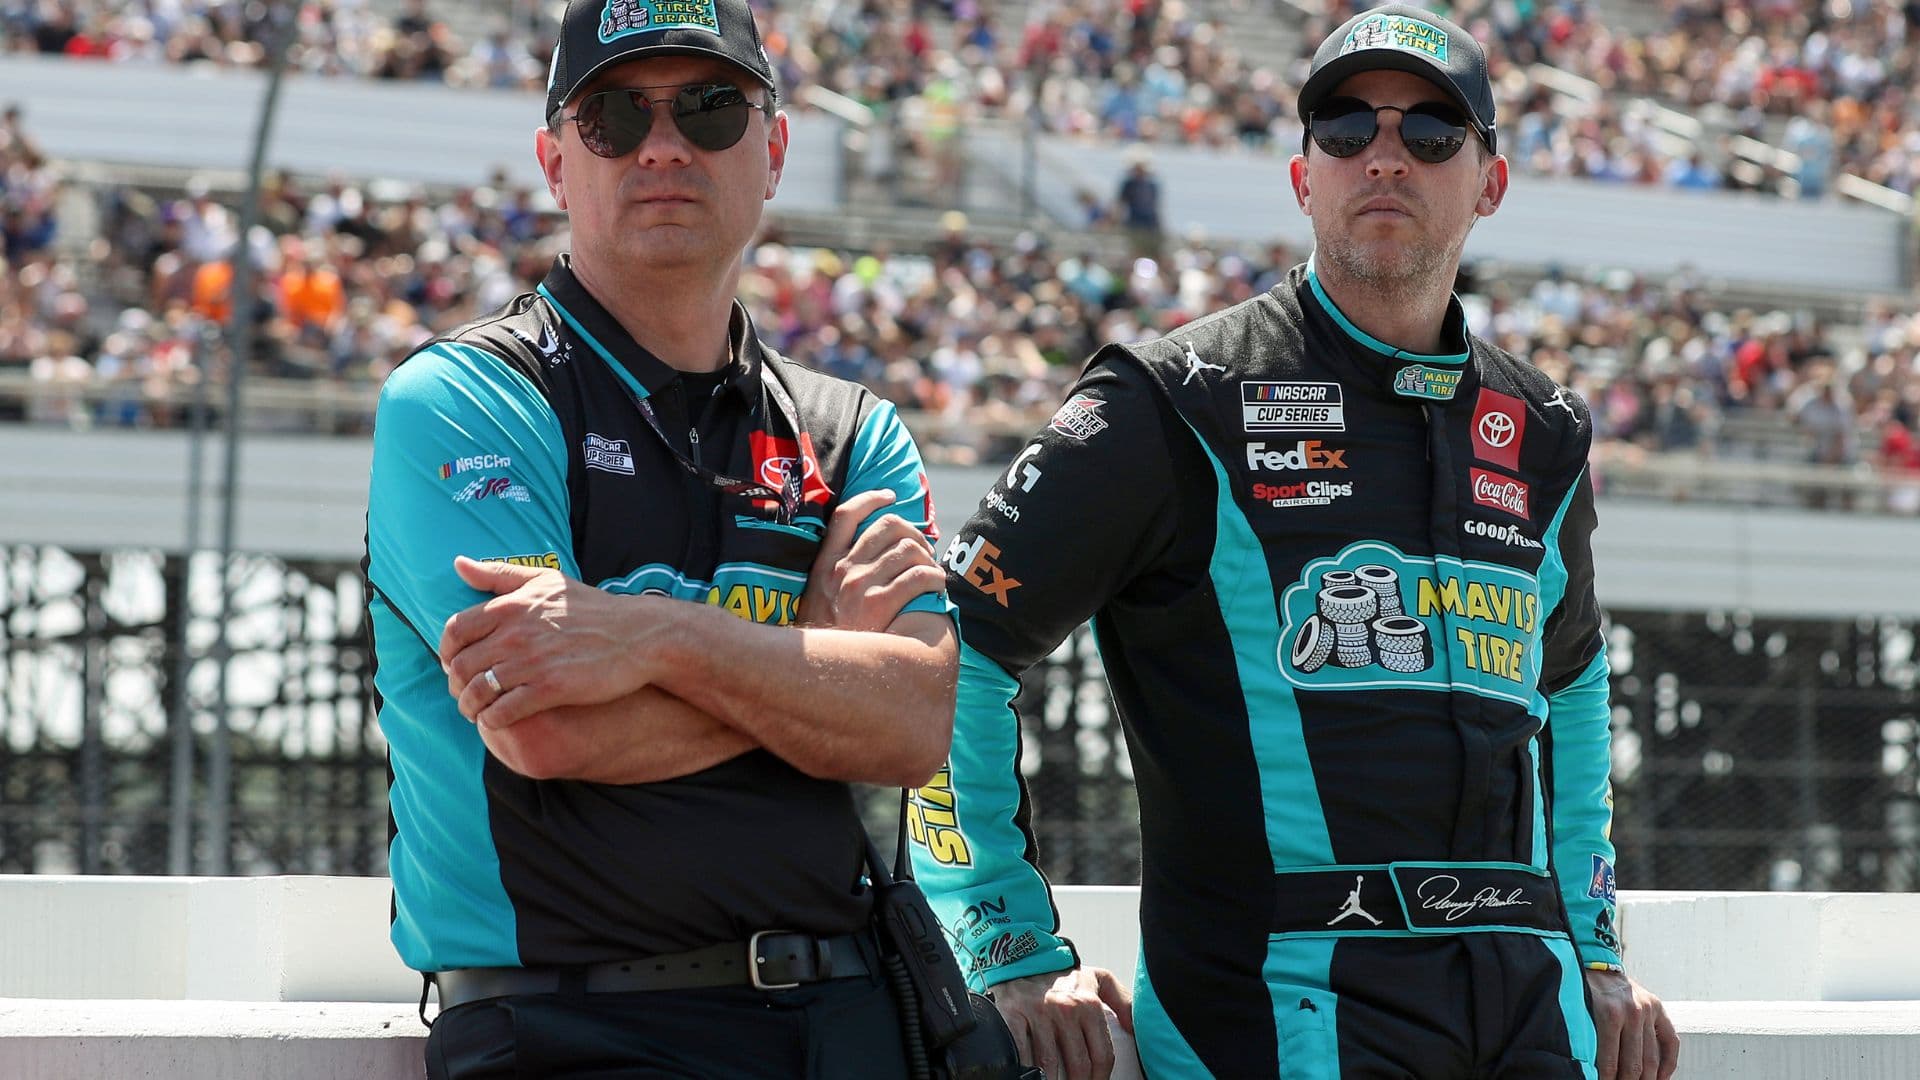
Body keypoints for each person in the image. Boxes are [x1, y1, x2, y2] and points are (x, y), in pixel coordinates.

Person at [912, 6, 1679, 1079]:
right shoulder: (1173, 398)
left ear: (1489, 183)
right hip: (1273, 1018)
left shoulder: (1542, 429)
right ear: (1302, 175)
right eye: (1346, 127)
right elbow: (955, 648)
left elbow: (1577, 679)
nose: (1384, 156)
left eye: (1430, 134)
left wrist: (1594, 944)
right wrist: (1006, 941)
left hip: (1528, 1019)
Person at [362, 0, 958, 1075]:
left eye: (710, 108)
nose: (665, 146)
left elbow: (913, 723)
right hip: (569, 1029)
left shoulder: (852, 430)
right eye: (615, 120)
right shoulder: (462, 399)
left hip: (847, 1017)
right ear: (555, 161)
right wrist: (815, 663)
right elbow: (548, 728)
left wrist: (651, 643)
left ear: (772, 148)